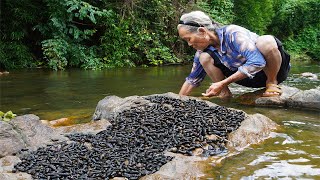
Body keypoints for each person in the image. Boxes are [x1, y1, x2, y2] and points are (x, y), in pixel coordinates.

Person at [177, 11, 290, 98]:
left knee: (266, 41)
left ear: (202, 31)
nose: (189, 44)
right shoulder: (203, 51)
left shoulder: (233, 34)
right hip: (248, 79)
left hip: (272, 70)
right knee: (204, 57)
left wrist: (222, 82)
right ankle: (224, 94)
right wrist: (178, 101)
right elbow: (192, 80)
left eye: (189, 39)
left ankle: (271, 82)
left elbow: (258, 62)